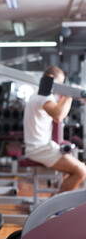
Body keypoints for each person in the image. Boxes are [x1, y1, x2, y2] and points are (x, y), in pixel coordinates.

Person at [23, 65, 86, 194]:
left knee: (72, 169)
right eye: (60, 83)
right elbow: (58, 115)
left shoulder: (41, 93)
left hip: (41, 146)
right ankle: (57, 208)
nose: (61, 87)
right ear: (51, 78)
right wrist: (69, 93)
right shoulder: (43, 94)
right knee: (81, 171)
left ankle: (56, 200)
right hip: (39, 149)